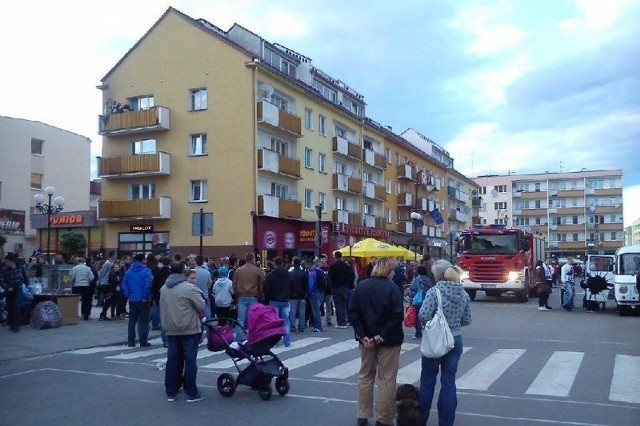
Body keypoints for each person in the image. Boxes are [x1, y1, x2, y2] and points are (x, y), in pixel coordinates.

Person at [348, 257, 404, 426]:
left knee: (365, 376)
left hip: (366, 339)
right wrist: (381, 335)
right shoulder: (392, 288)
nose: (394, 273)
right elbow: (397, 315)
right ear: (388, 270)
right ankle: (384, 418)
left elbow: (353, 312)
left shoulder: (362, 286)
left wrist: (362, 334)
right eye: (393, 270)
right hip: (389, 339)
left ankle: (362, 415)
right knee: (386, 378)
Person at [418, 260, 472, 426]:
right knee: (449, 382)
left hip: (436, 340)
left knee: (427, 381)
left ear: (438, 275)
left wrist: (431, 325)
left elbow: (423, 314)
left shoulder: (435, 292)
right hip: (455, 340)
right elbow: (467, 320)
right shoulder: (464, 294)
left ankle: (421, 420)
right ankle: (446, 422)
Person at [160, 261, 206, 403]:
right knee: (190, 361)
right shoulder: (189, 288)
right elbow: (201, 305)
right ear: (182, 271)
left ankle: (171, 391)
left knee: (173, 360)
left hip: (171, 328)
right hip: (189, 328)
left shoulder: (164, 288)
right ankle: (191, 392)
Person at [122, 253, 153, 347]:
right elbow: (148, 286)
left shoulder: (128, 271)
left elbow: (124, 284)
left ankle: (131, 341)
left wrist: (128, 295)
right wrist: (145, 297)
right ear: (143, 260)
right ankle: (143, 341)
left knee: (132, 321)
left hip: (132, 299)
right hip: (143, 300)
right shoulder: (146, 271)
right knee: (143, 321)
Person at [232, 252, 264, 341]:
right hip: (253, 296)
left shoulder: (238, 270)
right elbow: (261, 284)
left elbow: (234, 284)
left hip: (241, 296)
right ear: (252, 259)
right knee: (252, 318)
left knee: (240, 319)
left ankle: (239, 337)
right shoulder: (258, 270)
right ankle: (251, 337)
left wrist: (237, 293)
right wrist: (260, 294)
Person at [263, 256, 292, 347]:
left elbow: (266, 289)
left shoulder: (270, 275)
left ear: (274, 264)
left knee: (274, 322)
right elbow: (291, 286)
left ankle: (275, 342)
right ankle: (287, 341)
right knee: (286, 321)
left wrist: (266, 300)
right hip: (285, 300)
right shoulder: (288, 275)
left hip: (274, 300)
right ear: (282, 263)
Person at [328, 251, 355, 329]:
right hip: (345, 287)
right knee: (343, 305)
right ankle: (344, 321)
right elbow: (351, 276)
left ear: (335, 257)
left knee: (338, 305)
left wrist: (331, 286)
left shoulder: (333, 266)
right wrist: (350, 285)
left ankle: (340, 323)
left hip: (336, 287)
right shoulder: (347, 266)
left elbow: (330, 277)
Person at [1, 253, 24, 332]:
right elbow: (1, 281)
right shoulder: (4, 270)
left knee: (17, 307)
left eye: (7, 261)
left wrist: (12, 287)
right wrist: (7, 287)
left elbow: (19, 279)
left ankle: (16, 326)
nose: (5, 263)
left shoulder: (18, 267)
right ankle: (11, 324)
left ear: (12, 261)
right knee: (10, 308)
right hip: (8, 291)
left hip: (17, 289)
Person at [408, 265, 433, 338]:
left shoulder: (416, 279)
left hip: (418, 300)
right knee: (427, 317)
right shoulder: (428, 280)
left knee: (417, 318)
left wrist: (411, 300)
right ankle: (428, 332)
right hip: (427, 299)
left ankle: (418, 334)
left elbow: (412, 290)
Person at [288, 256, 308, 334]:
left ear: (293, 263)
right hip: (302, 295)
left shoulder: (290, 274)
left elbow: (289, 285)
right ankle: (301, 328)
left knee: (292, 312)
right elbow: (306, 284)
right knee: (302, 312)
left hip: (293, 296)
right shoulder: (304, 273)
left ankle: (292, 328)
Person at [307, 257, 326, 332]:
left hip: (315, 293)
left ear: (309, 264)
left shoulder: (312, 272)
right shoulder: (319, 270)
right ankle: (318, 326)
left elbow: (311, 285)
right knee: (317, 309)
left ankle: (318, 327)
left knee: (316, 311)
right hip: (321, 291)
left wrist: (309, 292)